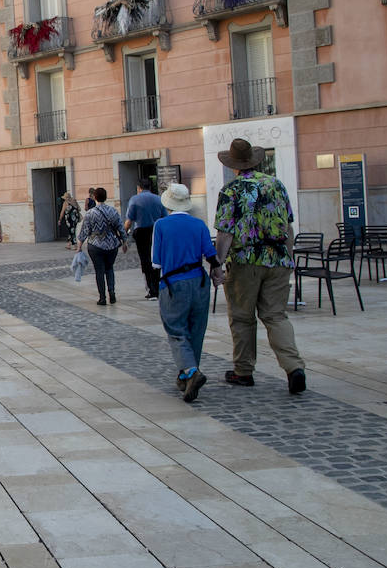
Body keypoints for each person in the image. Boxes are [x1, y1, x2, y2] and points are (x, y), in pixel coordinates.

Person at [213, 138, 307, 394]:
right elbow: (288, 225)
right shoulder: (276, 184)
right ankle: (294, 368)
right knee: (276, 316)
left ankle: (243, 371)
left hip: (245, 262)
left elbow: (225, 232)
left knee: (242, 318)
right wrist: (288, 258)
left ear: (234, 165)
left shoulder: (231, 190)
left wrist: (218, 263)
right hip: (277, 259)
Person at [151, 185, 223, 402]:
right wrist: (218, 274)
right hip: (199, 282)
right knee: (196, 330)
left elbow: (156, 262)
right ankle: (185, 375)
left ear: (168, 204)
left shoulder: (161, 225)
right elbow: (211, 255)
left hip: (174, 283)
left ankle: (191, 371)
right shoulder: (199, 224)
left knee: (176, 329)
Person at [78, 187, 127, 305]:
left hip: (95, 245)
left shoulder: (90, 213)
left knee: (99, 271)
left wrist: (79, 246)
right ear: (105, 197)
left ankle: (102, 297)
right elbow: (120, 227)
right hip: (112, 245)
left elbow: (85, 230)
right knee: (109, 268)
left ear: (94, 197)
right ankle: (112, 292)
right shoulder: (113, 211)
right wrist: (124, 241)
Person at [124, 178, 167, 299]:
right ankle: (158, 285)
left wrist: (124, 235)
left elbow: (129, 220)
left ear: (139, 188)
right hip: (156, 231)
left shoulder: (134, 199)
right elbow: (165, 217)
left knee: (145, 260)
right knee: (156, 258)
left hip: (141, 232)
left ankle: (151, 289)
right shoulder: (159, 199)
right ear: (150, 187)